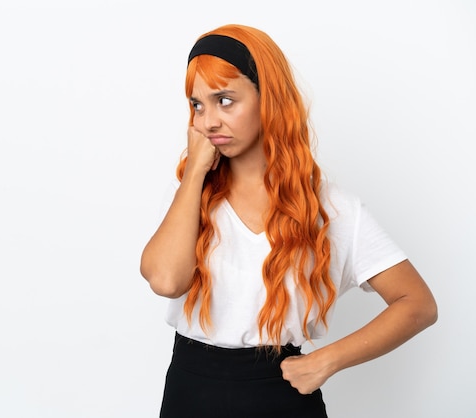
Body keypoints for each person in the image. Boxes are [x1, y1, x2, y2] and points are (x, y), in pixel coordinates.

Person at [139, 24, 438, 417]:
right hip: (190, 392)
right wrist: (196, 172)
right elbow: (165, 281)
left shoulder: (331, 209)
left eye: (224, 100)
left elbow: (417, 303)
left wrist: (328, 359)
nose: (208, 121)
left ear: (269, 99)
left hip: (280, 396)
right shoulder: (188, 198)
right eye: (197, 105)